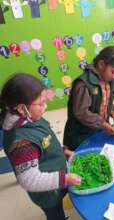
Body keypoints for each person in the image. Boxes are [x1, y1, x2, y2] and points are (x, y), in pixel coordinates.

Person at [0, 73, 81, 220]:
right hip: (46, 192)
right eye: (41, 103)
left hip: (57, 176)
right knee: (55, 213)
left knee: (59, 201)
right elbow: (29, 180)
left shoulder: (31, 117)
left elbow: (46, 139)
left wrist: (63, 151)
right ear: (21, 108)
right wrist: (65, 180)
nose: (45, 107)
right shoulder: (21, 144)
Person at [64, 46, 114, 150]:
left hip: (98, 130)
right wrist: (102, 124)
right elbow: (81, 112)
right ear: (101, 64)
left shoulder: (108, 79)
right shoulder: (83, 84)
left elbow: (105, 99)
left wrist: (111, 111)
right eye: (113, 72)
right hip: (80, 136)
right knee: (84, 159)